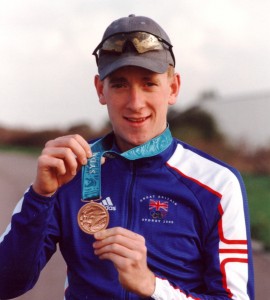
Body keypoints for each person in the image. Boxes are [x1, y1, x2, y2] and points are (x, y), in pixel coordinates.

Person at [0, 14, 254, 300]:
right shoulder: (69, 172)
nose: (135, 103)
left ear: (173, 88)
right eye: (120, 84)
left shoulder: (217, 184)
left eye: (149, 83)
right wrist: (41, 195)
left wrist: (152, 286)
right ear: (100, 90)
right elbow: (6, 283)